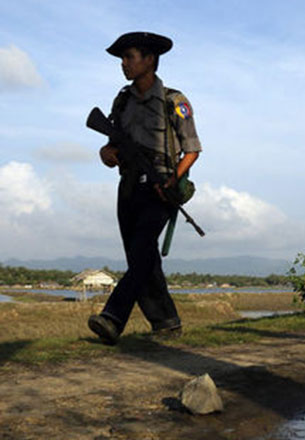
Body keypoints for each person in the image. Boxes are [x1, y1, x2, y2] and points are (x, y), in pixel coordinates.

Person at [88, 32, 202, 345]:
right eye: (122, 58)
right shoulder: (122, 100)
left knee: (141, 252)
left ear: (149, 60)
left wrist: (172, 180)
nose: (123, 64)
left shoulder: (174, 101)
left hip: (159, 187)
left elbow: (192, 150)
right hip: (128, 186)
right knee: (142, 256)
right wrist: (106, 153)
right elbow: (110, 147)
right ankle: (166, 322)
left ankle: (113, 317)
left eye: (129, 57)